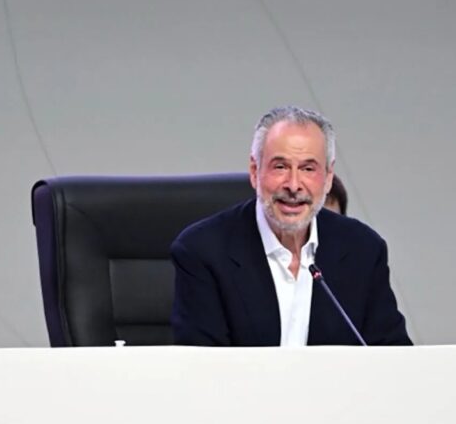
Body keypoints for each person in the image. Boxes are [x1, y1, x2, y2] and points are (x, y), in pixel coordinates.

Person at [170, 106, 411, 346]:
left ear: (327, 178)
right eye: (280, 167)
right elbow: (202, 369)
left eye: (308, 169)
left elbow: (393, 357)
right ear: (255, 172)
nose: (294, 185)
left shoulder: (363, 250)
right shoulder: (203, 251)